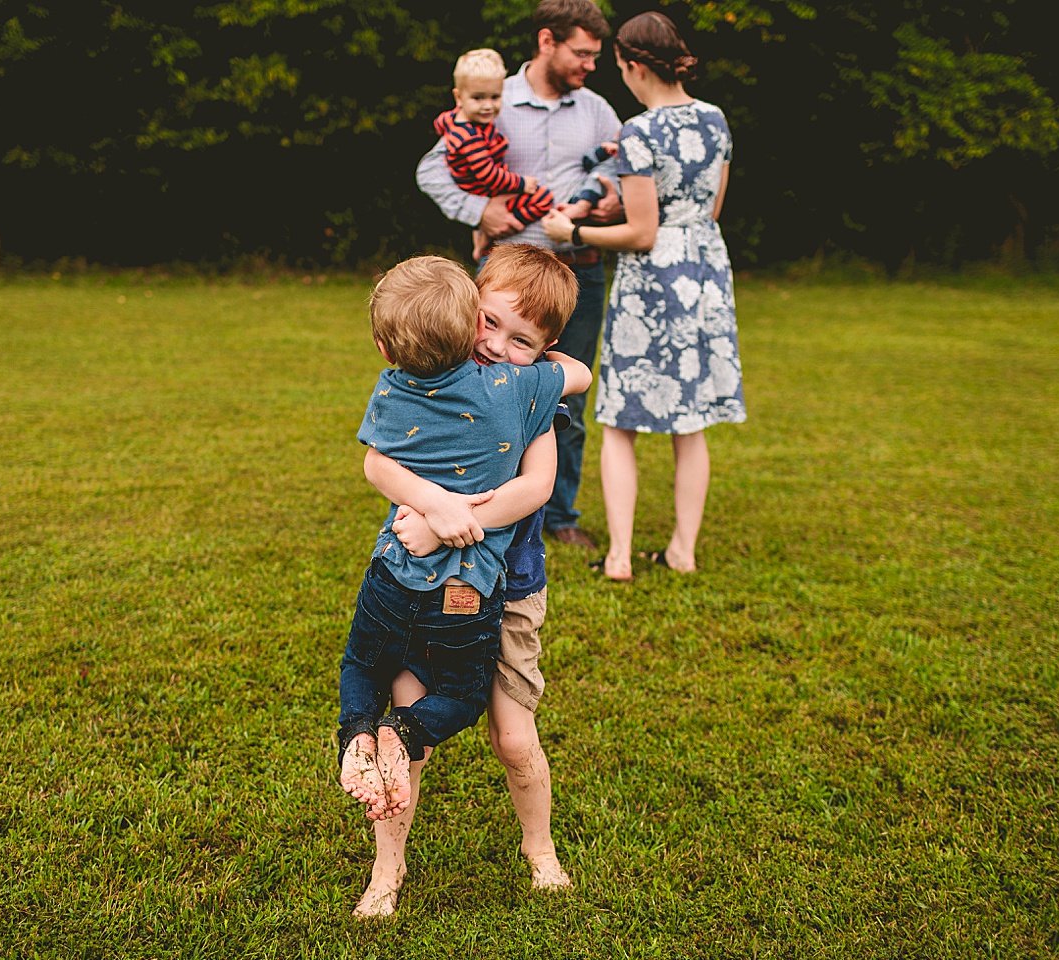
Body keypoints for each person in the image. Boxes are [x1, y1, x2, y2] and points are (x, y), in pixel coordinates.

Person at [354, 244, 584, 918]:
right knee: (407, 734)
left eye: (523, 341)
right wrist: (433, 509)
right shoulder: (428, 378)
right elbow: (379, 463)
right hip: (419, 591)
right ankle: (386, 867)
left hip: (508, 590)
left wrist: (449, 521)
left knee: (514, 737)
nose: (497, 346)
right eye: (489, 323)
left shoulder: (530, 395)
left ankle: (539, 849)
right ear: (466, 309)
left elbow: (535, 488)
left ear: (544, 350)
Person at [543, 11, 746, 582]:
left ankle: (620, 556)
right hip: (705, 272)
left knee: (619, 423)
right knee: (692, 423)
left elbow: (642, 231)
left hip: (651, 283)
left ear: (633, 66)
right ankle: (682, 549)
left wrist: (573, 233)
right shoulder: (715, 120)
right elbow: (713, 210)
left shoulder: (639, 131)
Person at [417, 0, 623, 552]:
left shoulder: (599, 110)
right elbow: (433, 169)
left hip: (579, 269)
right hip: (506, 268)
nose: (590, 64)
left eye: (595, 55)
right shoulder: (491, 96)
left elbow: (619, 169)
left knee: (565, 398)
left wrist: (607, 202)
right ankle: (473, 498)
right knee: (481, 384)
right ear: (546, 42)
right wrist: (478, 211)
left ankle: (560, 516)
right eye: (581, 52)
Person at [435, 49, 556, 260]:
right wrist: (521, 183)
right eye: (478, 98)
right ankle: (504, 227)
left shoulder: (454, 119)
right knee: (543, 198)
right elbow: (487, 174)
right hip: (485, 189)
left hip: (483, 187)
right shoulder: (469, 137)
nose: (488, 106)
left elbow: (440, 123)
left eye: (495, 97)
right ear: (458, 97)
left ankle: (481, 236)